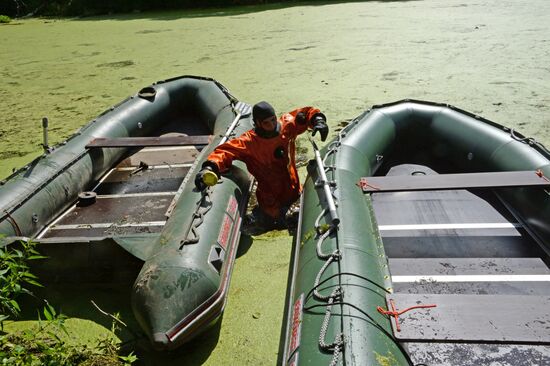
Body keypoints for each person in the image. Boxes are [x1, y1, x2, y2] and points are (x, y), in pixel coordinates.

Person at [195, 101, 329, 234]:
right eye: (266, 123)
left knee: (297, 218)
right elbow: (224, 153)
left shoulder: (286, 127)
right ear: (257, 123)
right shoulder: (248, 143)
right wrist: (209, 167)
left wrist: (318, 120)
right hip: (270, 204)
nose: (271, 125)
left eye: (273, 120)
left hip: (293, 191)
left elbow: (304, 114)